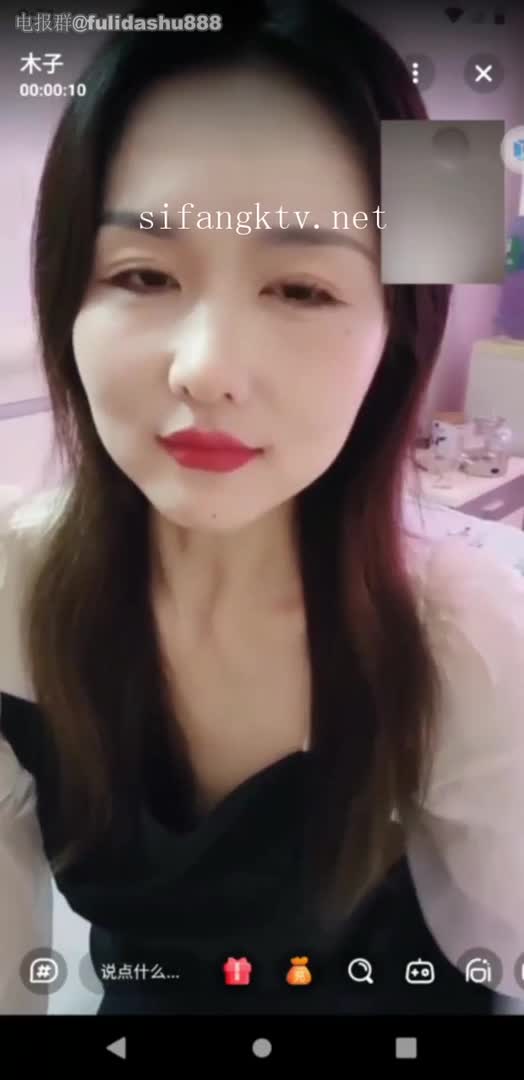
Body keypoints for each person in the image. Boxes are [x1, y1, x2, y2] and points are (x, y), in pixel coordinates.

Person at [1, 0, 524, 1017]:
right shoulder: (11, 600)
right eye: (143, 274)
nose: (206, 370)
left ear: (394, 337)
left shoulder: (463, 640)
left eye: (300, 290)